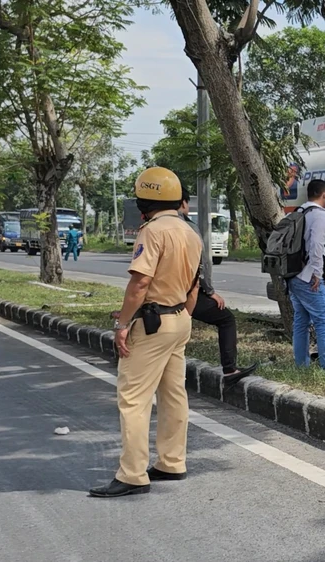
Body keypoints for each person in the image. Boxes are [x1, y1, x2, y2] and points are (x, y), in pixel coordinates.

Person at [89, 167, 203, 499]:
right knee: (173, 394)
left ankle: (133, 474)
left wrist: (122, 324)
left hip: (153, 325)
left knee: (133, 399)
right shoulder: (191, 232)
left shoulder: (152, 232)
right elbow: (195, 284)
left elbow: (140, 284)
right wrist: (180, 315)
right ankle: (172, 462)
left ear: (145, 200)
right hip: (180, 319)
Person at [179, 189, 258, 384]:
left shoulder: (152, 226)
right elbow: (201, 263)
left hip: (161, 296)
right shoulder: (187, 227)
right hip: (186, 293)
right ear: (182, 203)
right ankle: (230, 369)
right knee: (226, 319)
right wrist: (210, 291)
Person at [289, 179, 325, 373]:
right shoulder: (320, 214)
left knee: (301, 321)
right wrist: (317, 273)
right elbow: (316, 245)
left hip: (293, 274)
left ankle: (301, 365)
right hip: (308, 276)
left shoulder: (299, 211)